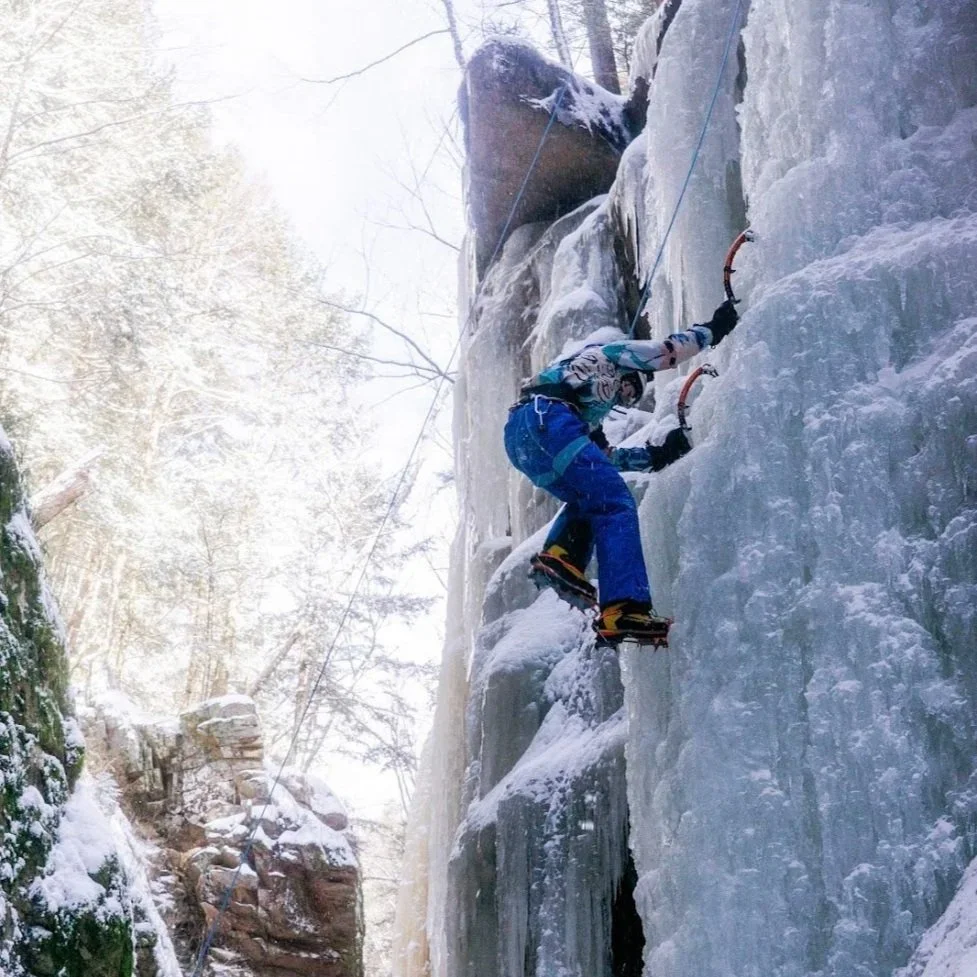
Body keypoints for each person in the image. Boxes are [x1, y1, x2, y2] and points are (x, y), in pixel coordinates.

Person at [503, 299, 738, 646]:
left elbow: (606, 460)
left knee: (594, 492)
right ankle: (624, 606)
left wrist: (655, 456)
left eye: (630, 400)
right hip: (547, 417)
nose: (625, 398)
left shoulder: (584, 407)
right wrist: (712, 330)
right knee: (616, 502)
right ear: (629, 373)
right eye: (631, 389)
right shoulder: (610, 355)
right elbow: (665, 352)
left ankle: (562, 556)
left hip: (523, 437)